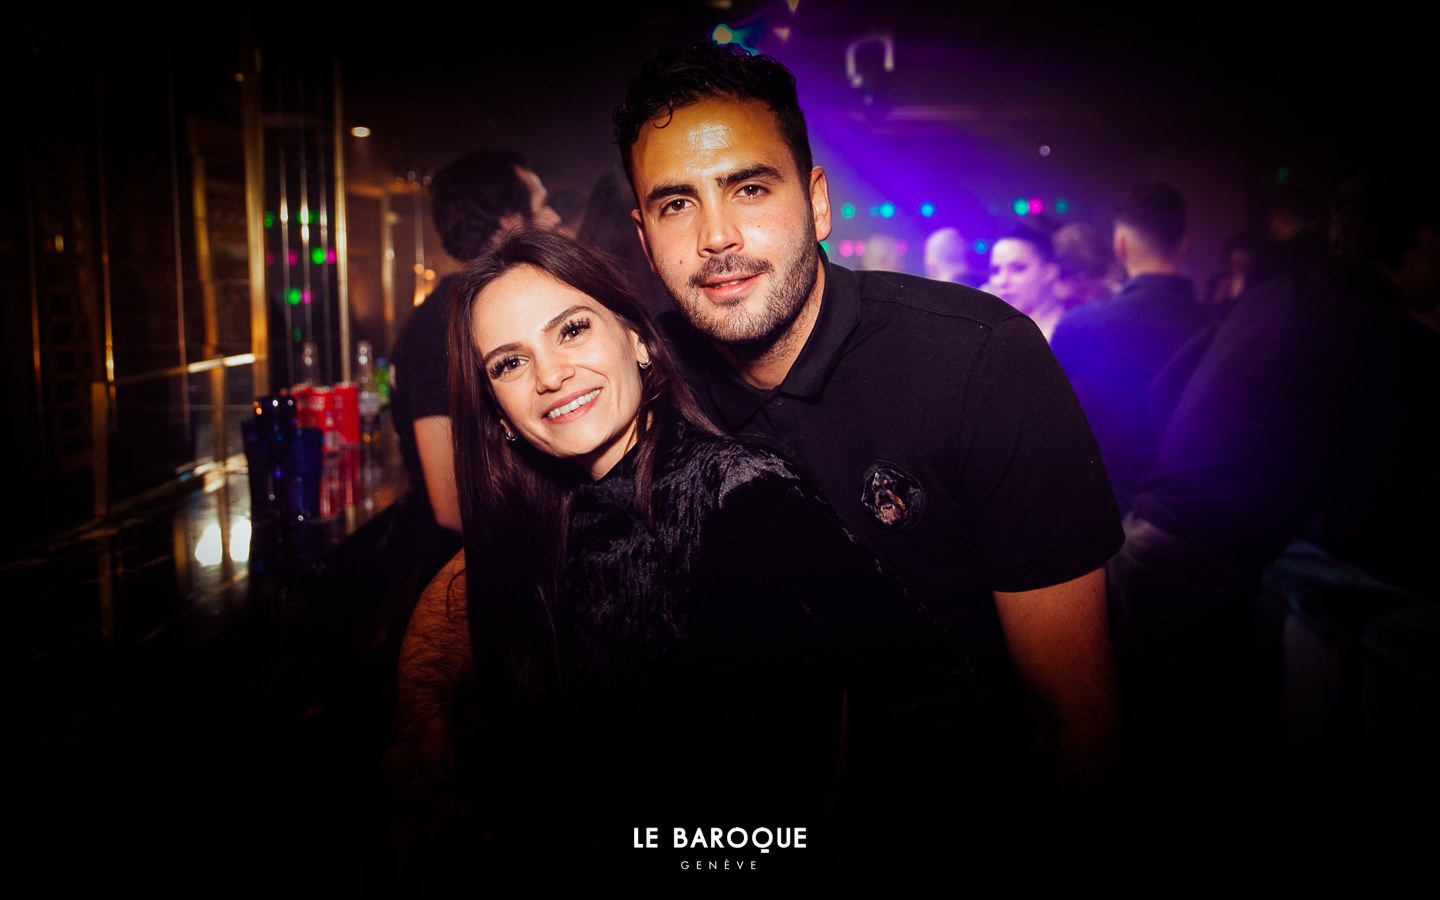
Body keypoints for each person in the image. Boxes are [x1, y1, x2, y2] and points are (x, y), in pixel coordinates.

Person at [614, 40, 1124, 868]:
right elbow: (498, 553)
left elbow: (1077, 716)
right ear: (645, 236)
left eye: (750, 188)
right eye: (677, 204)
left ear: (817, 204)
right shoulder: (643, 378)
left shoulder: (977, 360)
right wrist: (419, 737)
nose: (716, 236)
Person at [385, 228, 967, 893]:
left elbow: (928, 693)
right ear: (498, 416)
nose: (549, 375)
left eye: (571, 330)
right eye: (509, 363)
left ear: (637, 339)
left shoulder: (738, 494)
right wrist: (420, 744)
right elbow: (466, 589)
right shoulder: (547, 517)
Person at [1049, 182, 1216, 515]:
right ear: (1186, 243)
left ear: (1121, 245)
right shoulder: (1220, 326)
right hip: (1193, 510)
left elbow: (1052, 426)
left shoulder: (1079, 325)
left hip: (1103, 507)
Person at [981, 221, 1067, 339]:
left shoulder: (1077, 329)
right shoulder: (986, 333)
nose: (1002, 281)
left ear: (1049, 272)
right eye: (995, 271)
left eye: (1017, 268)